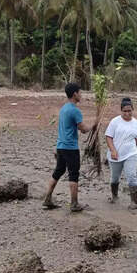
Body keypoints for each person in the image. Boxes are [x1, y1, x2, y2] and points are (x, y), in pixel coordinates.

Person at [41, 82, 92, 212]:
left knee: (58, 171)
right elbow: (84, 129)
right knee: (73, 174)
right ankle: (74, 203)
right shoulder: (75, 110)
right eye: (80, 92)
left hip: (61, 146)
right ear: (75, 94)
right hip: (70, 147)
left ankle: (47, 198)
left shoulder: (64, 108)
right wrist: (94, 126)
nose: (81, 95)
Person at [105, 97, 137, 209]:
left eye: (129, 111)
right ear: (121, 110)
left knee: (132, 176)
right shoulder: (115, 122)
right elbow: (108, 137)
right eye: (125, 111)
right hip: (116, 155)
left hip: (131, 154)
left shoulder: (136, 124)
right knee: (114, 178)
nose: (127, 113)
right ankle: (114, 196)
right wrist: (113, 150)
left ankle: (134, 202)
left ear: (132, 110)